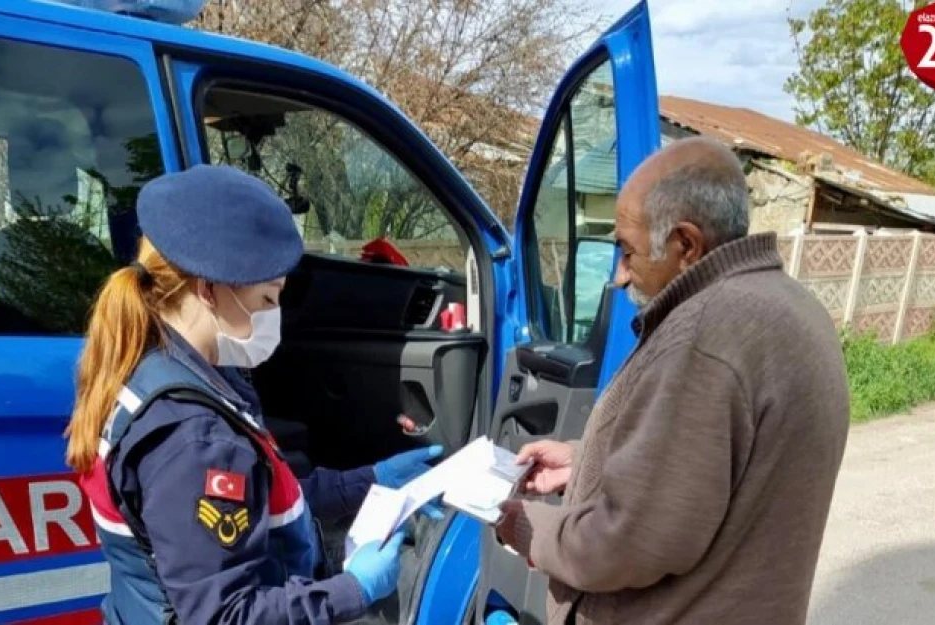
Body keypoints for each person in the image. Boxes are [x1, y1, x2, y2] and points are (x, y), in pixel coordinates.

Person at [64, 164, 442, 624]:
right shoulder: (195, 438)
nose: (274, 315)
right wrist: (352, 590)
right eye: (267, 299)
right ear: (208, 291)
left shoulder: (154, 369)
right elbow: (224, 617)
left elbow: (256, 501)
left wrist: (372, 480)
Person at [495, 137, 851, 624]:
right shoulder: (791, 306)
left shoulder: (703, 336)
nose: (619, 277)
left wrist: (524, 526)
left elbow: (626, 542)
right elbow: (713, 470)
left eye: (627, 250)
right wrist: (586, 461)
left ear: (686, 245)